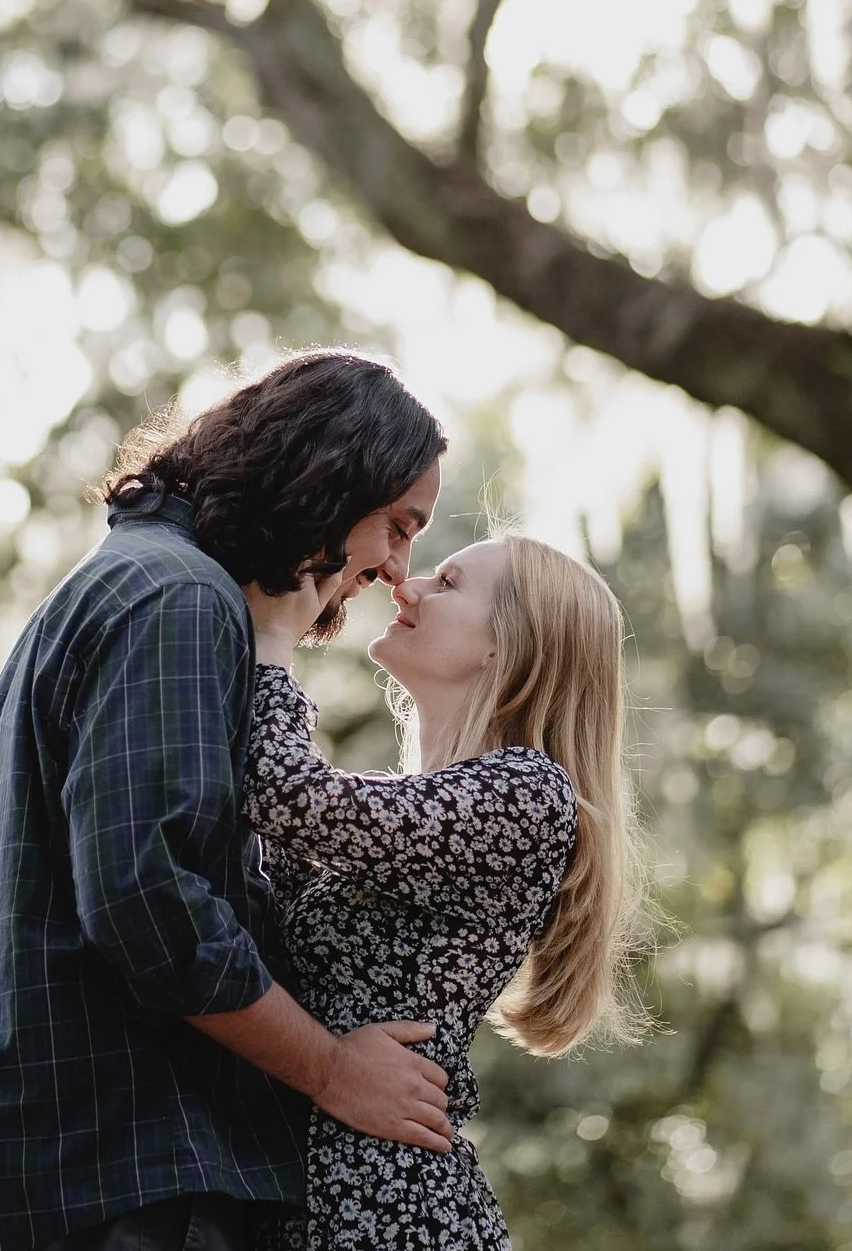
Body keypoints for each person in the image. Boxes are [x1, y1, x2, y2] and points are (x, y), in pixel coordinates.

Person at [0, 350, 449, 1251]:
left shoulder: (146, 580)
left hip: (76, 1172)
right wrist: (333, 1071)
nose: (396, 567)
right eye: (396, 522)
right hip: (120, 1175)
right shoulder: (179, 600)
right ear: (327, 472)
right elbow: (151, 903)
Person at [242, 535, 650, 1250]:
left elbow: (280, 792)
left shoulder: (528, 794)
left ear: (507, 645)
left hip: (391, 1210)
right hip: (310, 1192)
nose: (406, 586)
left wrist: (274, 642)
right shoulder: (402, 806)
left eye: (448, 582)